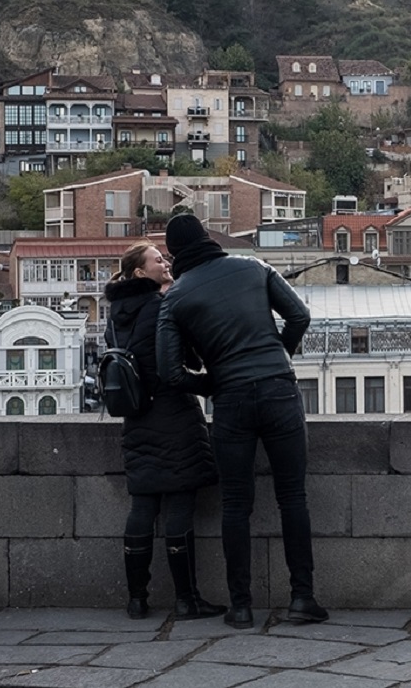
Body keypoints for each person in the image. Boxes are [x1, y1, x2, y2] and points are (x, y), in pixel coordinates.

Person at [156, 214, 322, 629]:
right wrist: (276, 357)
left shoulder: (175, 298)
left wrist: (213, 383)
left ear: (174, 254)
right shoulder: (253, 267)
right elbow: (299, 316)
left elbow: (170, 373)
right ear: (208, 238)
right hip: (279, 391)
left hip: (230, 401)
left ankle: (241, 606)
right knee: (293, 498)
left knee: (235, 504)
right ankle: (302, 598)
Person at [105, 241, 226, 621]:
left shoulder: (115, 314)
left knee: (143, 505)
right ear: (141, 272)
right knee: (178, 506)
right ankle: (187, 599)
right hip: (173, 413)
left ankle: (137, 599)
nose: (166, 262)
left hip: (137, 416)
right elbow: (184, 359)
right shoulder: (162, 306)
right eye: (158, 260)